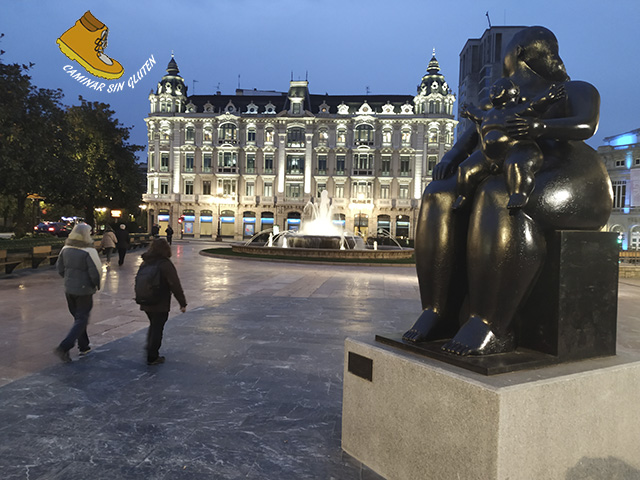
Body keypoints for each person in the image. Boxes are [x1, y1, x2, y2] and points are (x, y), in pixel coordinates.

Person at [403, 26, 612, 356]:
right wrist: (451, 158)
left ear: (519, 54)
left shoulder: (574, 89)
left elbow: (587, 125)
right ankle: (437, 311)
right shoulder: (501, 97)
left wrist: (539, 127)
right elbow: (473, 135)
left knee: (500, 196)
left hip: (571, 174)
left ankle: (491, 324)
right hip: (512, 166)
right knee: (437, 195)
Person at [454, 78, 565, 211]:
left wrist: (547, 97)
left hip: (516, 149)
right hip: (487, 156)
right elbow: (476, 114)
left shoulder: (518, 109)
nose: (494, 91)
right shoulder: (488, 114)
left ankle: (519, 193)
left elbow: (534, 105)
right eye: (492, 89)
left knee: (517, 166)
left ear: (513, 92)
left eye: (499, 88)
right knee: (465, 169)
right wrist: (468, 110)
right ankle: (464, 196)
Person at [54, 223, 102, 362]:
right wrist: (96, 285)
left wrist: (69, 280)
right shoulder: (89, 251)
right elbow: (95, 272)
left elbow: (60, 268)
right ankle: (65, 346)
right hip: (84, 290)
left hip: (69, 289)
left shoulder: (66, 249)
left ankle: (84, 346)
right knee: (82, 318)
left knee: (78, 318)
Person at [137, 238, 187, 365]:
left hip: (146, 300)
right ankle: (153, 356)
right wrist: (182, 303)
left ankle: (150, 347)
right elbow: (175, 284)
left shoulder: (145, 262)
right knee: (157, 327)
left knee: (154, 324)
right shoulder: (165, 264)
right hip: (160, 301)